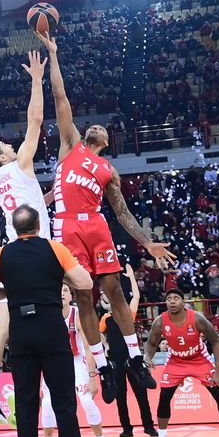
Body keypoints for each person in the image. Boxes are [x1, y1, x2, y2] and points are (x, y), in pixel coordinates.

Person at [40, 31, 174, 403]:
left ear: (106, 141)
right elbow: (60, 97)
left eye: (103, 128)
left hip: (96, 223)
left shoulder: (108, 170)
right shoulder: (71, 144)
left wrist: (147, 242)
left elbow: (123, 212)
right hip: (67, 223)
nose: (97, 126)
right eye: (94, 126)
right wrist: (54, 54)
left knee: (114, 291)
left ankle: (135, 359)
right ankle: (103, 365)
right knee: (83, 296)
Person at [0, 204, 96, 437]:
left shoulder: (1, 254)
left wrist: (13, 291)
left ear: (14, 228)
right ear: (39, 226)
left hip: (21, 332)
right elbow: (85, 282)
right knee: (64, 404)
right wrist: (57, 278)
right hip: (51, 328)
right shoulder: (54, 248)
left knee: (27, 407)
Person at [0, 49, 52, 426]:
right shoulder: (20, 164)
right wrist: (37, 80)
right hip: (36, 251)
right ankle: (30, 391)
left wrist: (52, 196)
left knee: (7, 321)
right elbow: (35, 120)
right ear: (3, 156)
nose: (12, 144)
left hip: (13, 250)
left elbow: (29, 202)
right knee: (56, 313)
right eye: (6, 145)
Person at [143, 289, 219, 437]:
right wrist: (148, 358)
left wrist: (218, 371)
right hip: (176, 360)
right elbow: (151, 343)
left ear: (183, 302)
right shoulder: (160, 321)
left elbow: (216, 341)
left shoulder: (197, 318)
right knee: (164, 397)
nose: (172, 301)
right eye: (169, 298)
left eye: (176, 298)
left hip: (199, 359)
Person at [38, 284, 114, 437]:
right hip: (54, 362)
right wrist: (41, 380)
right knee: (47, 403)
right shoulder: (47, 315)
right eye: (58, 290)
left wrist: (92, 377)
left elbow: (88, 347)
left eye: (65, 290)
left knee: (86, 400)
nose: (61, 293)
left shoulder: (77, 314)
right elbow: (41, 350)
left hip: (77, 360)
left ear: (71, 296)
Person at [100, 264, 156, 437]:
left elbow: (136, 296)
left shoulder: (128, 313)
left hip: (132, 358)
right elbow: (99, 333)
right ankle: (126, 428)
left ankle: (148, 425)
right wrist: (106, 346)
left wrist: (132, 277)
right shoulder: (105, 318)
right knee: (120, 396)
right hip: (115, 360)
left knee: (141, 393)